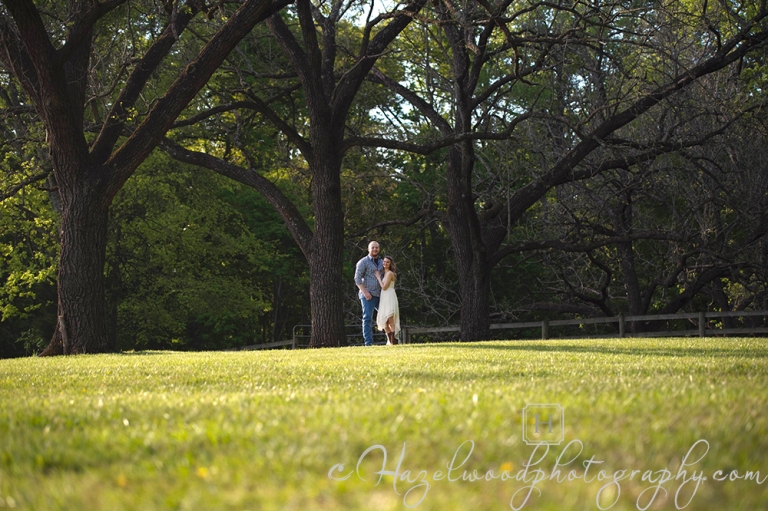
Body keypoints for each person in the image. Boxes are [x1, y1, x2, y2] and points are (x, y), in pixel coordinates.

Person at [354, 241, 382, 346]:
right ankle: (368, 343)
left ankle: (391, 340)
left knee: (386, 316)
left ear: (379, 249)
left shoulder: (382, 262)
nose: (375, 249)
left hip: (380, 295)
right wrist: (365, 292)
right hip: (368, 296)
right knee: (367, 318)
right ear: (368, 249)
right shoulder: (363, 262)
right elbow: (357, 279)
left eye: (376, 247)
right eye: (373, 247)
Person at [375, 256, 401, 345]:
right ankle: (391, 341)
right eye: (384, 261)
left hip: (389, 296)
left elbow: (384, 287)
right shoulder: (384, 273)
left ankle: (393, 341)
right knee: (384, 321)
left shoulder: (390, 273)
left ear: (390, 264)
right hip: (384, 297)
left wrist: (378, 278)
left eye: (387, 262)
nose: (385, 263)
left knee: (390, 319)